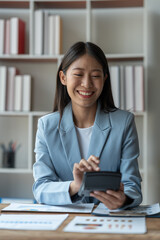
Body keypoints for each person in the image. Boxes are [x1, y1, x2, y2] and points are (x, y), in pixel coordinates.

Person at [33, 41, 142, 210]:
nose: (87, 84)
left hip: (109, 222)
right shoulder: (46, 126)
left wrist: (124, 199)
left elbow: (132, 186)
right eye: (78, 74)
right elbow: (40, 188)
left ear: (104, 79)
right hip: (63, 224)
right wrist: (75, 186)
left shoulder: (124, 123)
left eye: (96, 76)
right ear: (63, 78)